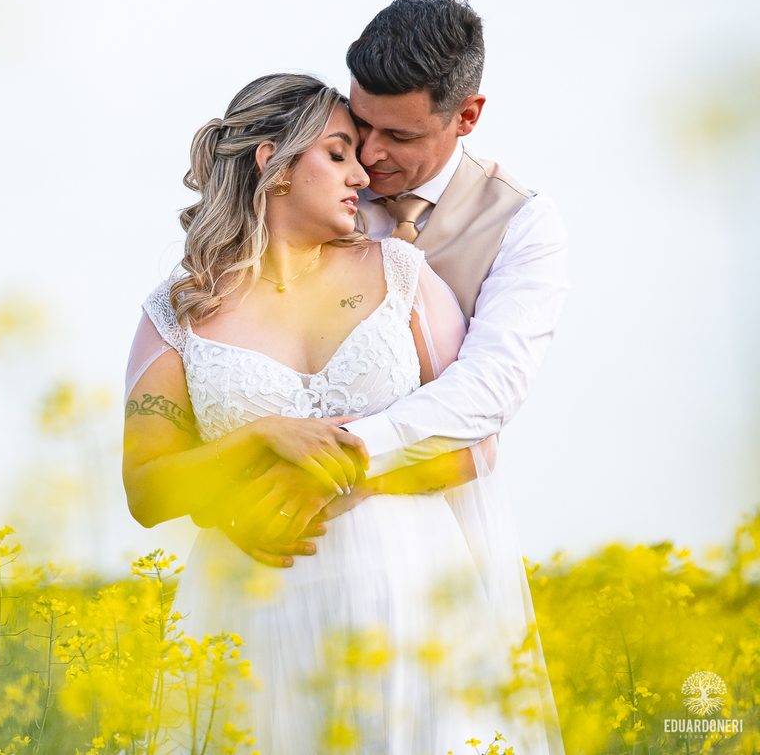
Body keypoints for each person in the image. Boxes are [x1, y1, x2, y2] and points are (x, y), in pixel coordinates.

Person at [122, 72, 564, 752]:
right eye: (338, 153)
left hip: (410, 598)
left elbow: (475, 445)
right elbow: (146, 488)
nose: (363, 173)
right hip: (249, 620)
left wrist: (337, 474)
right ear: (273, 162)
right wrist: (263, 437)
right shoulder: (179, 313)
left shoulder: (402, 275)